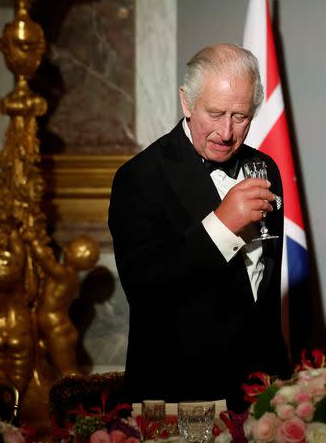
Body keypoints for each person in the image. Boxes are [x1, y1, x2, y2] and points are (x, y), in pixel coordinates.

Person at [109, 44, 290, 409]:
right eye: (215, 112)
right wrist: (223, 226)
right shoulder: (139, 177)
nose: (226, 132)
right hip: (180, 392)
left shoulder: (265, 168)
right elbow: (145, 290)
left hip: (263, 390)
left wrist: (278, 381)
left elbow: (262, 293)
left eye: (240, 116)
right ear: (187, 103)